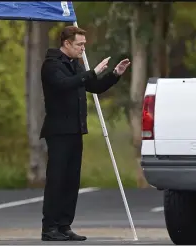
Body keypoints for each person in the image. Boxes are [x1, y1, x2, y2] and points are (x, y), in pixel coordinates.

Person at [39, 26, 131, 241]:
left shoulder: (75, 64)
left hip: (75, 130)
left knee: (71, 180)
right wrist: (92, 72)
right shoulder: (52, 65)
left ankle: (64, 225)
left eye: (84, 44)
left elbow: (94, 86)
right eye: (79, 44)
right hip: (59, 131)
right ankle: (49, 227)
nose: (83, 48)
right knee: (57, 180)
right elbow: (64, 85)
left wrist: (115, 74)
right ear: (67, 44)